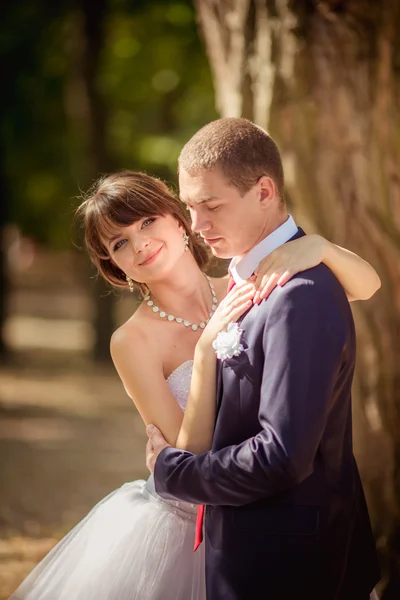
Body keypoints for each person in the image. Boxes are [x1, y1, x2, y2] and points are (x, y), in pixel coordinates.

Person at [9, 164, 380, 600]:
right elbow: (187, 459)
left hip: (274, 506)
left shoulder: (243, 282)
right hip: (192, 526)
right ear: (114, 265)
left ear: (179, 220)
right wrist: (204, 355)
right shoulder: (131, 341)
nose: (140, 243)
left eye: (147, 221)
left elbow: (367, 285)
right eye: (119, 243)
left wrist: (318, 248)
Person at [146, 118, 381, 600]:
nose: (198, 226)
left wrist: (172, 471)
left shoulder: (300, 294)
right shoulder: (246, 278)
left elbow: (280, 457)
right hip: (247, 552)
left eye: (211, 206)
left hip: (286, 564)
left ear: (265, 190)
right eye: (191, 207)